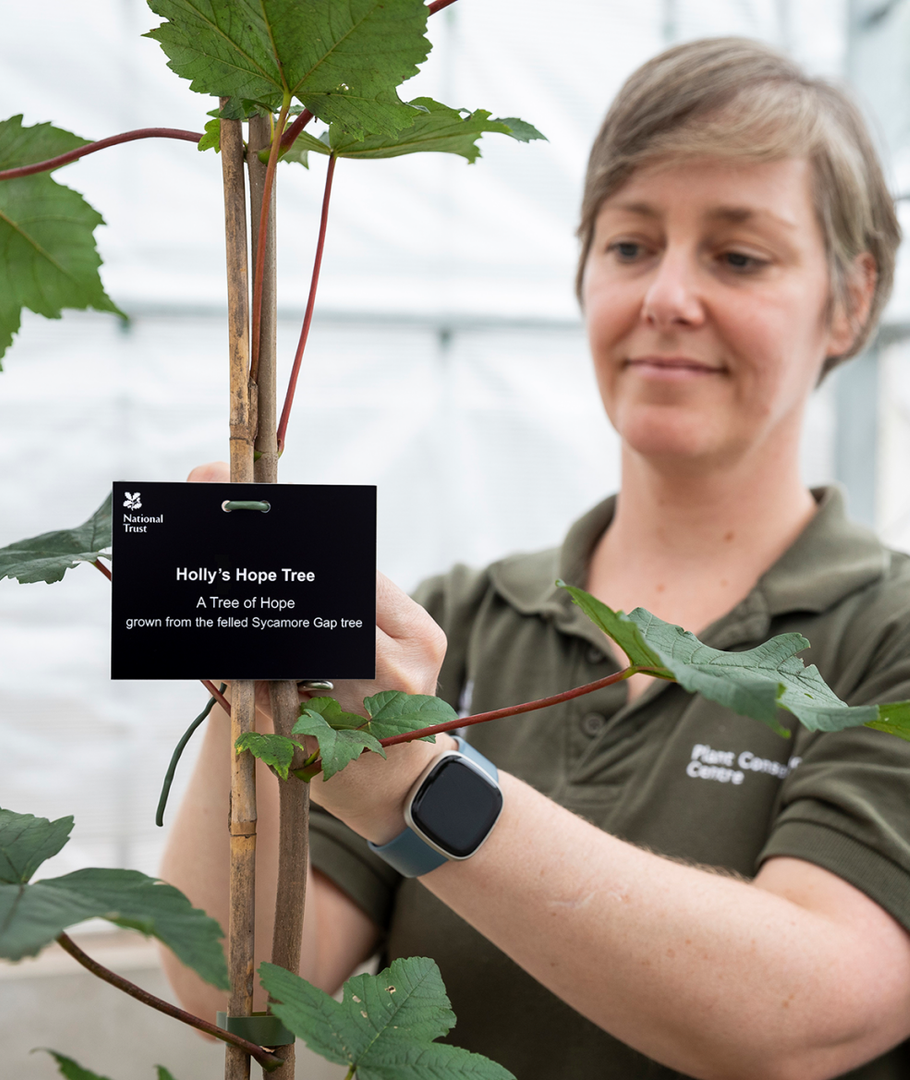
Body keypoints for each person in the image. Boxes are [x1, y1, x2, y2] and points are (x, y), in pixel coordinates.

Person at [159, 38, 910, 1080]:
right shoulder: (461, 618)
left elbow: (816, 1011)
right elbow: (236, 991)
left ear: (853, 297)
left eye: (739, 256)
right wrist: (251, 661)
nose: (666, 299)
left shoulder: (890, 636)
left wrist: (423, 791)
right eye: (631, 246)